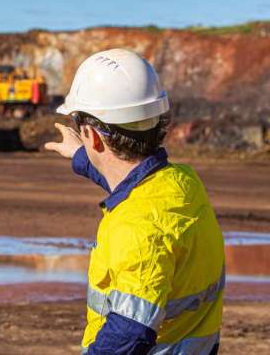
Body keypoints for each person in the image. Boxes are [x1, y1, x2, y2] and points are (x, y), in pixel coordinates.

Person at [45, 49, 224, 354]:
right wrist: (81, 156)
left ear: (93, 136)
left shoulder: (138, 228)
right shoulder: (181, 183)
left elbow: (130, 332)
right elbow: (130, 180)